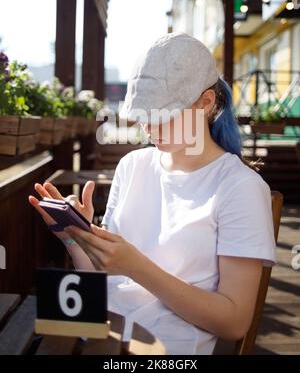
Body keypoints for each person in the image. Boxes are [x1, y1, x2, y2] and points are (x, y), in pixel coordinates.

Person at [29, 32, 276, 355]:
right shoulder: (133, 165)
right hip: (98, 332)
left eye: (163, 114)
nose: (149, 128)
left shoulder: (240, 187)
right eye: (144, 114)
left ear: (206, 103)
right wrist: (76, 237)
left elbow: (234, 322)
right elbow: (104, 281)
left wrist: (137, 267)